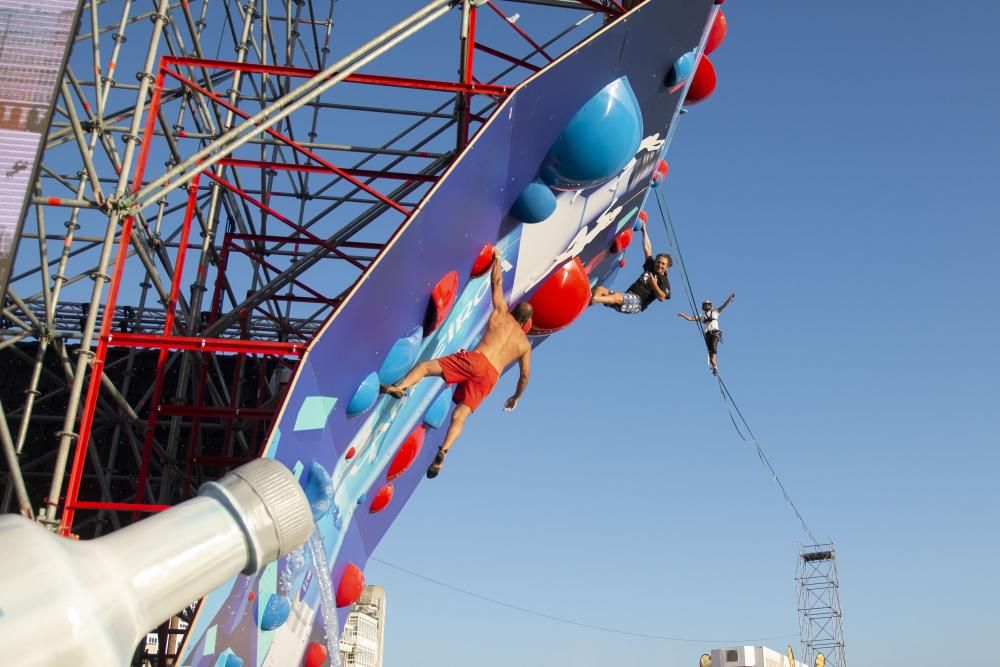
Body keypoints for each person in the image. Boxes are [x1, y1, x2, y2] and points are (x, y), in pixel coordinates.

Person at [381, 254, 533, 478]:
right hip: (491, 376)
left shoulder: (501, 311)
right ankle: (444, 451)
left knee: (424, 368)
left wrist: (497, 260)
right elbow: (525, 376)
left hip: (478, 358)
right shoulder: (524, 345)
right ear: (526, 323)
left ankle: (402, 387)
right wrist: (516, 397)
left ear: (514, 311)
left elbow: (497, 283)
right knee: (460, 414)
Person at [590, 217, 671, 314]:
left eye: (663, 264)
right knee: (600, 289)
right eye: (658, 262)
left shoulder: (663, 280)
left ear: (667, 267)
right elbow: (648, 249)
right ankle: (587, 302)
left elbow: (662, 297)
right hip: (628, 295)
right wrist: (644, 230)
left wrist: (654, 284)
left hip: (637, 303)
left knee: (616, 297)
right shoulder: (651, 266)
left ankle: (595, 299)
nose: (660, 265)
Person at [678, 293, 735, 375]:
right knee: (711, 357)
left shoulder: (715, 312)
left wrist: (729, 299)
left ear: (710, 306)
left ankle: (715, 366)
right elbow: (691, 318)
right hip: (707, 336)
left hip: (715, 333)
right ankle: (715, 367)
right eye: (705, 305)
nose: (706, 306)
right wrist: (683, 315)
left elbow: (723, 306)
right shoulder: (701, 316)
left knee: (713, 351)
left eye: (707, 305)